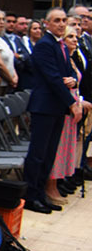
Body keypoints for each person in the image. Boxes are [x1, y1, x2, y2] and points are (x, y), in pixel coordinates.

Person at [23, 8, 80, 214]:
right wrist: (72, 103)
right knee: (38, 153)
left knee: (49, 154)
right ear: (47, 23)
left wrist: (72, 80)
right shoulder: (45, 45)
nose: (61, 24)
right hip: (44, 106)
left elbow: (66, 73)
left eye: (64, 20)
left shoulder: (60, 45)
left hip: (56, 106)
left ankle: (40, 194)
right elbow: (53, 78)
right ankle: (31, 195)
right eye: (57, 20)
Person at [49, 27, 88, 202]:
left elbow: (75, 80)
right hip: (65, 105)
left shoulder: (73, 59)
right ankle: (51, 185)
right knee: (59, 147)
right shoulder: (62, 58)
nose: (74, 39)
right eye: (70, 36)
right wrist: (75, 103)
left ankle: (62, 179)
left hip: (74, 104)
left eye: (75, 36)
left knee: (69, 145)